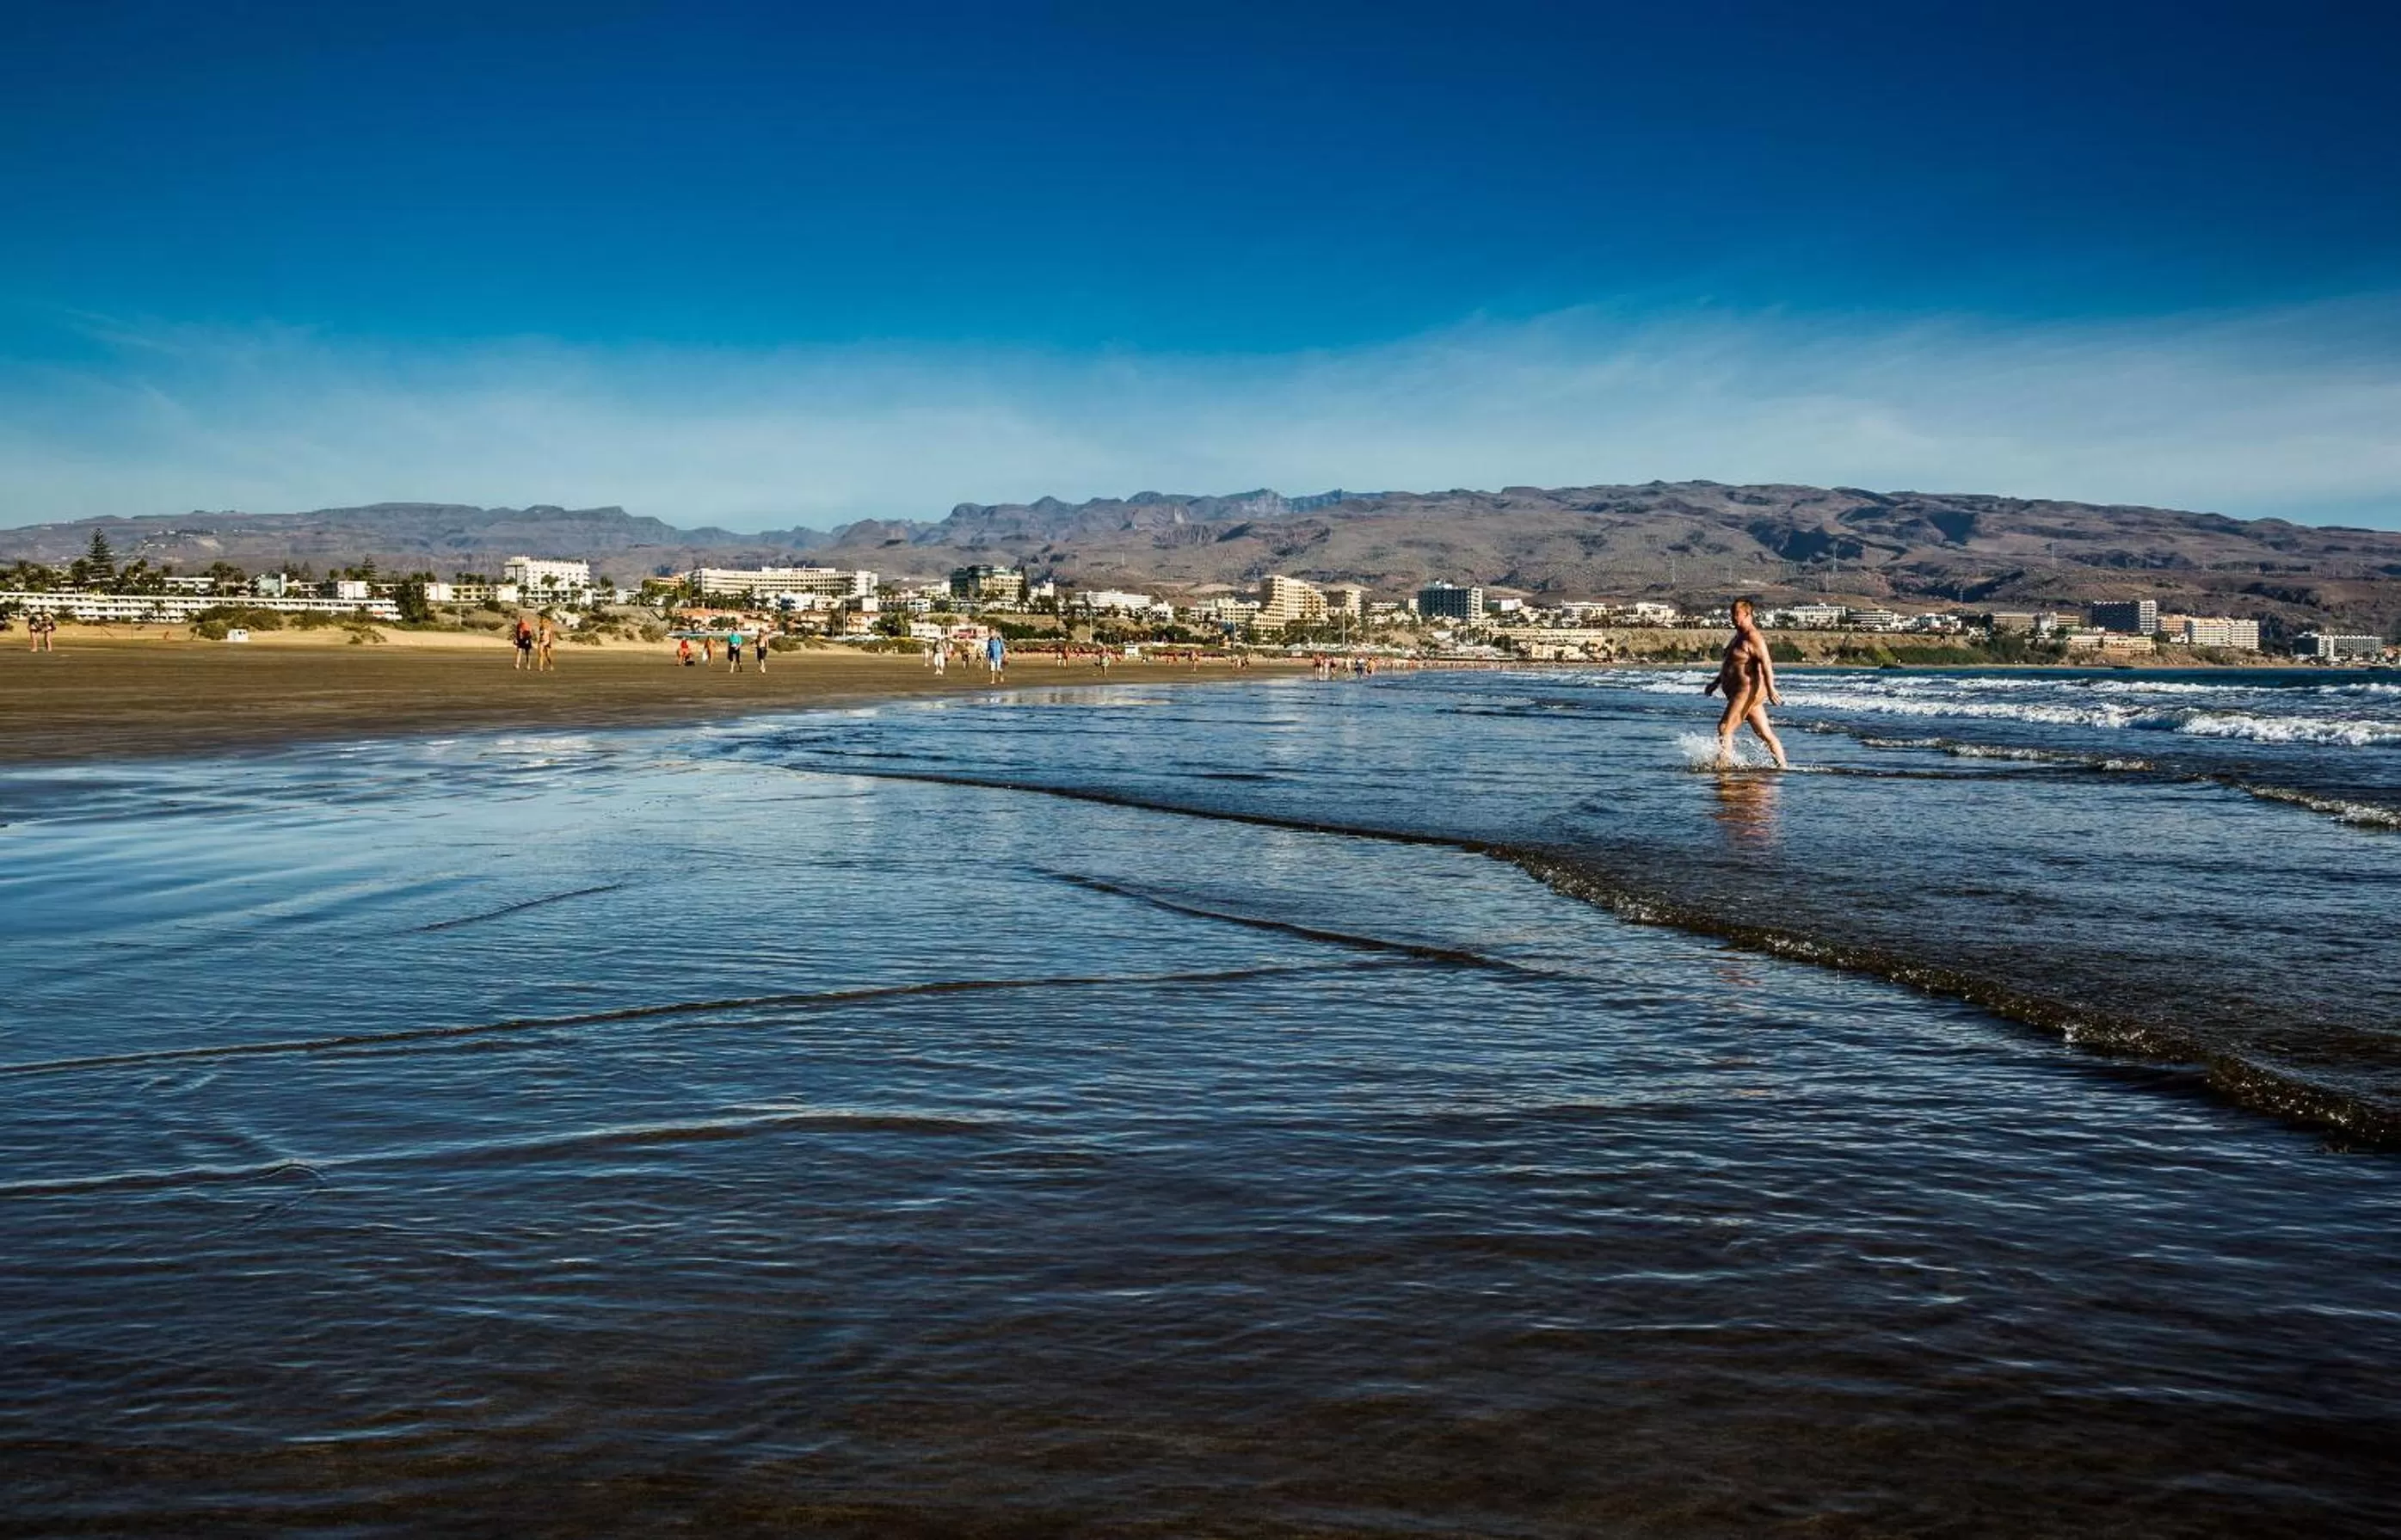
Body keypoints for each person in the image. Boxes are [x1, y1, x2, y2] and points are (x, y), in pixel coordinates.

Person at [1705, 598, 1789, 769]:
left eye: (1736, 614)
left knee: (1724, 728)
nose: (1733, 618)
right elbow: (1731, 664)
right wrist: (1715, 682)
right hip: (1741, 693)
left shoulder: (1753, 637)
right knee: (1764, 733)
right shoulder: (1738, 637)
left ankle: (1723, 767)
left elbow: (1766, 663)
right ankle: (1783, 766)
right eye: (1731, 614)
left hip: (1746, 691)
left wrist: (1771, 689)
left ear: (1747, 614)